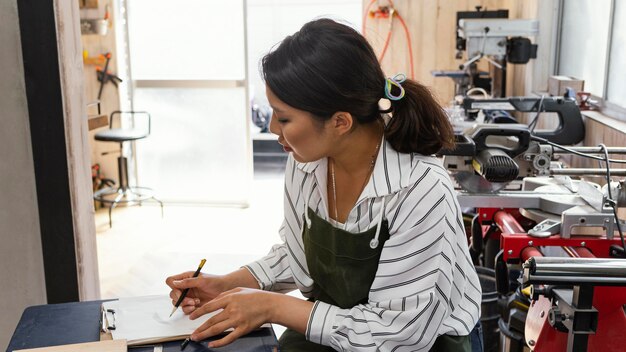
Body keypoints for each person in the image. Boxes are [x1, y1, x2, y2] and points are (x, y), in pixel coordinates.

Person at [166, 18, 482, 352]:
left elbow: (399, 332)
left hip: (420, 341)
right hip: (337, 325)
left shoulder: (420, 189)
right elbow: (301, 252)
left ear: (340, 122)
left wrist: (271, 306)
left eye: (284, 118)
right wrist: (230, 284)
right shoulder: (306, 160)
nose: (273, 128)